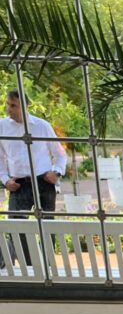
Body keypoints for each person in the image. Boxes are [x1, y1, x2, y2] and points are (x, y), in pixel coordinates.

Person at [0, 88, 67, 267]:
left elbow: (60, 154)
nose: (9, 109)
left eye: (13, 105)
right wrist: (5, 179)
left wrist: (57, 172)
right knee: (16, 228)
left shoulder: (42, 126)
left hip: (43, 182)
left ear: (25, 106)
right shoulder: (2, 126)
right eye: (7, 104)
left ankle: (45, 269)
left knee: (47, 228)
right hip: (18, 184)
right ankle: (30, 269)